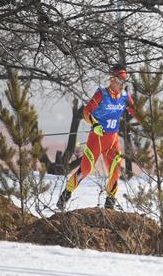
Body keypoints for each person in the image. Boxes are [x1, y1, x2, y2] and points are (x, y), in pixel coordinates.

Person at [57, 65, 138, 210]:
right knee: (86, 169)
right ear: (112, 80)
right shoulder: (102, 94)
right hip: (97, 139)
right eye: (120, 81)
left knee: (115, 170)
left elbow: (135, 111)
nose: (122, 85)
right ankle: (65, 195)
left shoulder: (125, 96)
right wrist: (95, 124)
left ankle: (110, 203)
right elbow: (87, 112)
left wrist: (150, 122)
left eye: (125, 82)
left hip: (113, 140)